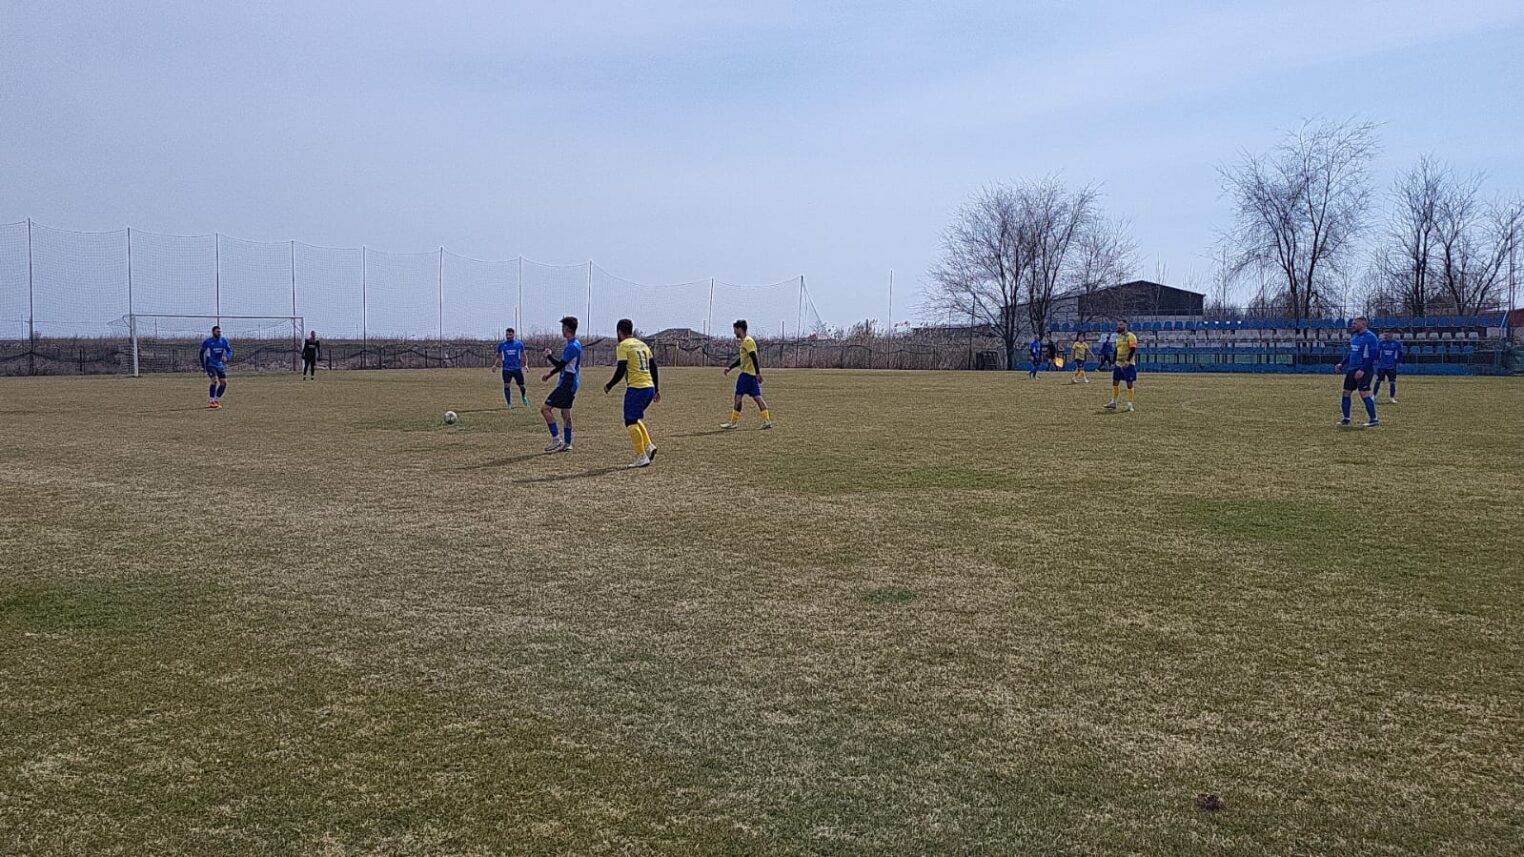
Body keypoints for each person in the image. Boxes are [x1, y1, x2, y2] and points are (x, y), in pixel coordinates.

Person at [604, 318, 660, 468]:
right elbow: (653, 367)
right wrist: (656, 389)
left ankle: (641, 456)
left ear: (619, 332)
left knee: (629, 422)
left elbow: (621, 369)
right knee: (634, 418)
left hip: (637, 388)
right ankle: (648, 445)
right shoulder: (642, 344)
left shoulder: (623, 345)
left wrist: (610, 385)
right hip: (649, 388)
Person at [539, 316, 582, 452]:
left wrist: (548, 357)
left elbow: (560, 365)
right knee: (565, 412)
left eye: (563, 327)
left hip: (567, 383)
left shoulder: (572, 346)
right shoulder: (575, 343)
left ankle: (556, 439)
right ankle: (567, 443)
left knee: (545, 409)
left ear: (566, 329)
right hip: (571, 382)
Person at [720, 319, 772, 429]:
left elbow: (753, 357)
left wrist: (758, 373)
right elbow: (742, 359)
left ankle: (733, 423)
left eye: (735, 330)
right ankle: (767, 421)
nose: (734, 332)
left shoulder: (747, 341)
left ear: (740, 329)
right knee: (757, 398)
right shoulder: (746, 342)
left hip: (747, 375)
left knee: (738, 397)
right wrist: (730, 367)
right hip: (750, 375)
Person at [1336, 316, 1380, 428]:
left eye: (1355, 323)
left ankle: (1373, 419)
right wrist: (1342, 363)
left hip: (1364, 370)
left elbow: (1372, 356)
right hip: (1352, 369)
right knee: (1346, 392)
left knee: (1364, 393)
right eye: (1353, 323)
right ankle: (1346, 419)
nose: (1353, 325)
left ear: (1363, 324)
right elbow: (1352, 353)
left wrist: (1362, 370)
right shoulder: (1355, 336)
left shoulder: (1371, 337)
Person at [1104, 320, 1139, 412]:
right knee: (1115, 382)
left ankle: (1130, 404)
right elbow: (1116, 350)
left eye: (1121, 325)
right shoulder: (1118, 337)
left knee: (1129, 383)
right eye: (1118, 325)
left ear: (1125, 326)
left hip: (1128, 364)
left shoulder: (1131, 336)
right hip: (1118, 364)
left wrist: (1127, 361)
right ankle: (1113, 402)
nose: (1118, 326)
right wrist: (1113, 362)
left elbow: (1132, 349)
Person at [200, 325, 232, 409]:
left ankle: (217, 400)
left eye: (220, 332)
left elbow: (229, 351)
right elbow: (201, 353)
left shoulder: (223, 340)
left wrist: (227, 357)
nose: (219, 333)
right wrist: (203, 365)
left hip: (219, 365)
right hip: (210, 364)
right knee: (214, 381)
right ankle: (212, 401)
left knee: (224, 383)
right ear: (213, 332)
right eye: (217, 332)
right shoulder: (208, 342)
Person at [496, 327, 528, 408]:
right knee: (506, 385)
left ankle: (523, 397)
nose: (508, 336)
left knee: (522, 386)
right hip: (506, 369)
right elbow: (498, 356)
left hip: (517, 369)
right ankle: (509, 403)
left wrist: (525, 364)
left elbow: (524, 355)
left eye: (510, 335)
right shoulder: (502, 345)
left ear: (513, 335)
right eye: (507, 334)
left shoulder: (519, 344)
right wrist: (495, 365)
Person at [1375, 330, 1404, 403]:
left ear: (1391, 334)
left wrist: (1399, 362)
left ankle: (1392, 398)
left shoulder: (1396, 343)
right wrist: (1376, 359)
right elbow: (1377, 352)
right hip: (1381, 366)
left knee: (1392, 382)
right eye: (1385, 335)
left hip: (1391, 366)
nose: (1385, 336)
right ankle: (1374, 396)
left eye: (1387, 335)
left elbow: (1400, 353)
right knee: (1378, 381)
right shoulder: (1381, 343)